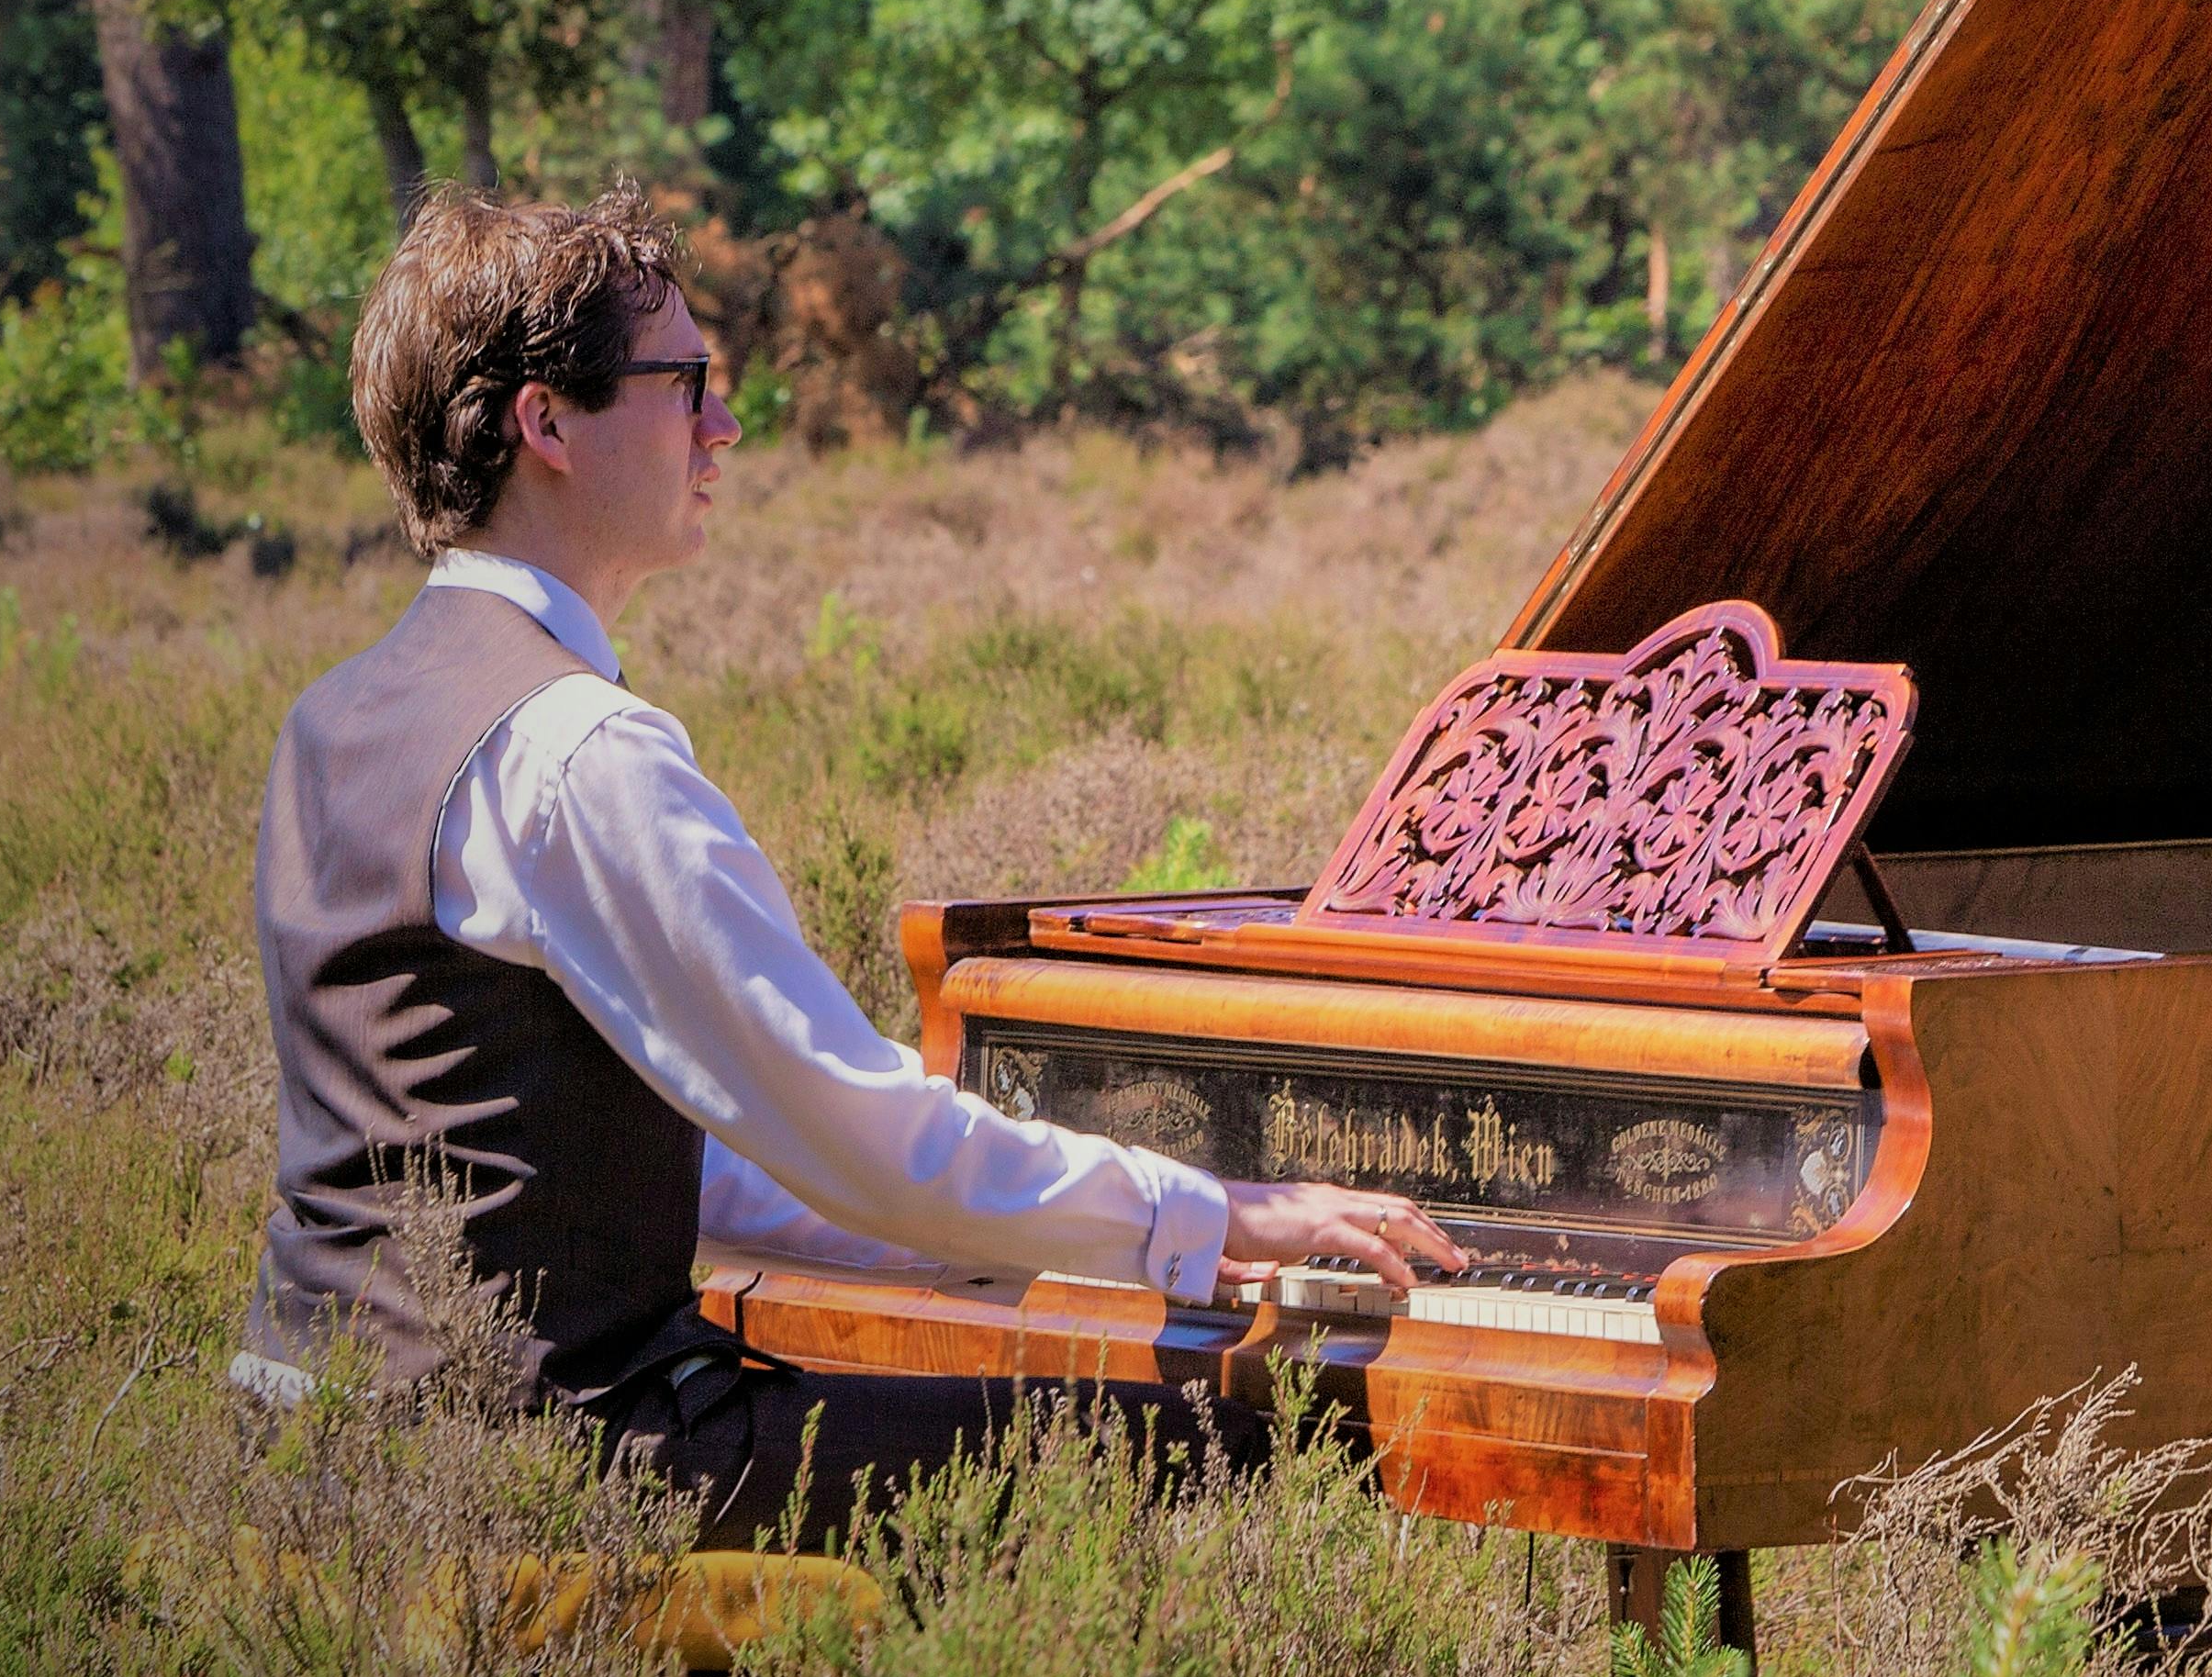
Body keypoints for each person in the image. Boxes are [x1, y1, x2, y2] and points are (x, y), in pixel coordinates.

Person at [238, 183, 1462, 1540]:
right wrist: (1208, 1215)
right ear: (548, 424)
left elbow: (654, 1170)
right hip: (539, 1468)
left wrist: (1087, 1244)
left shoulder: (337, 717)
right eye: (685, 383)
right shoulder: (576, 752)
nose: (725, 424)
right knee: (1231, 1434)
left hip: (313, 1436)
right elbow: (854, 1130)